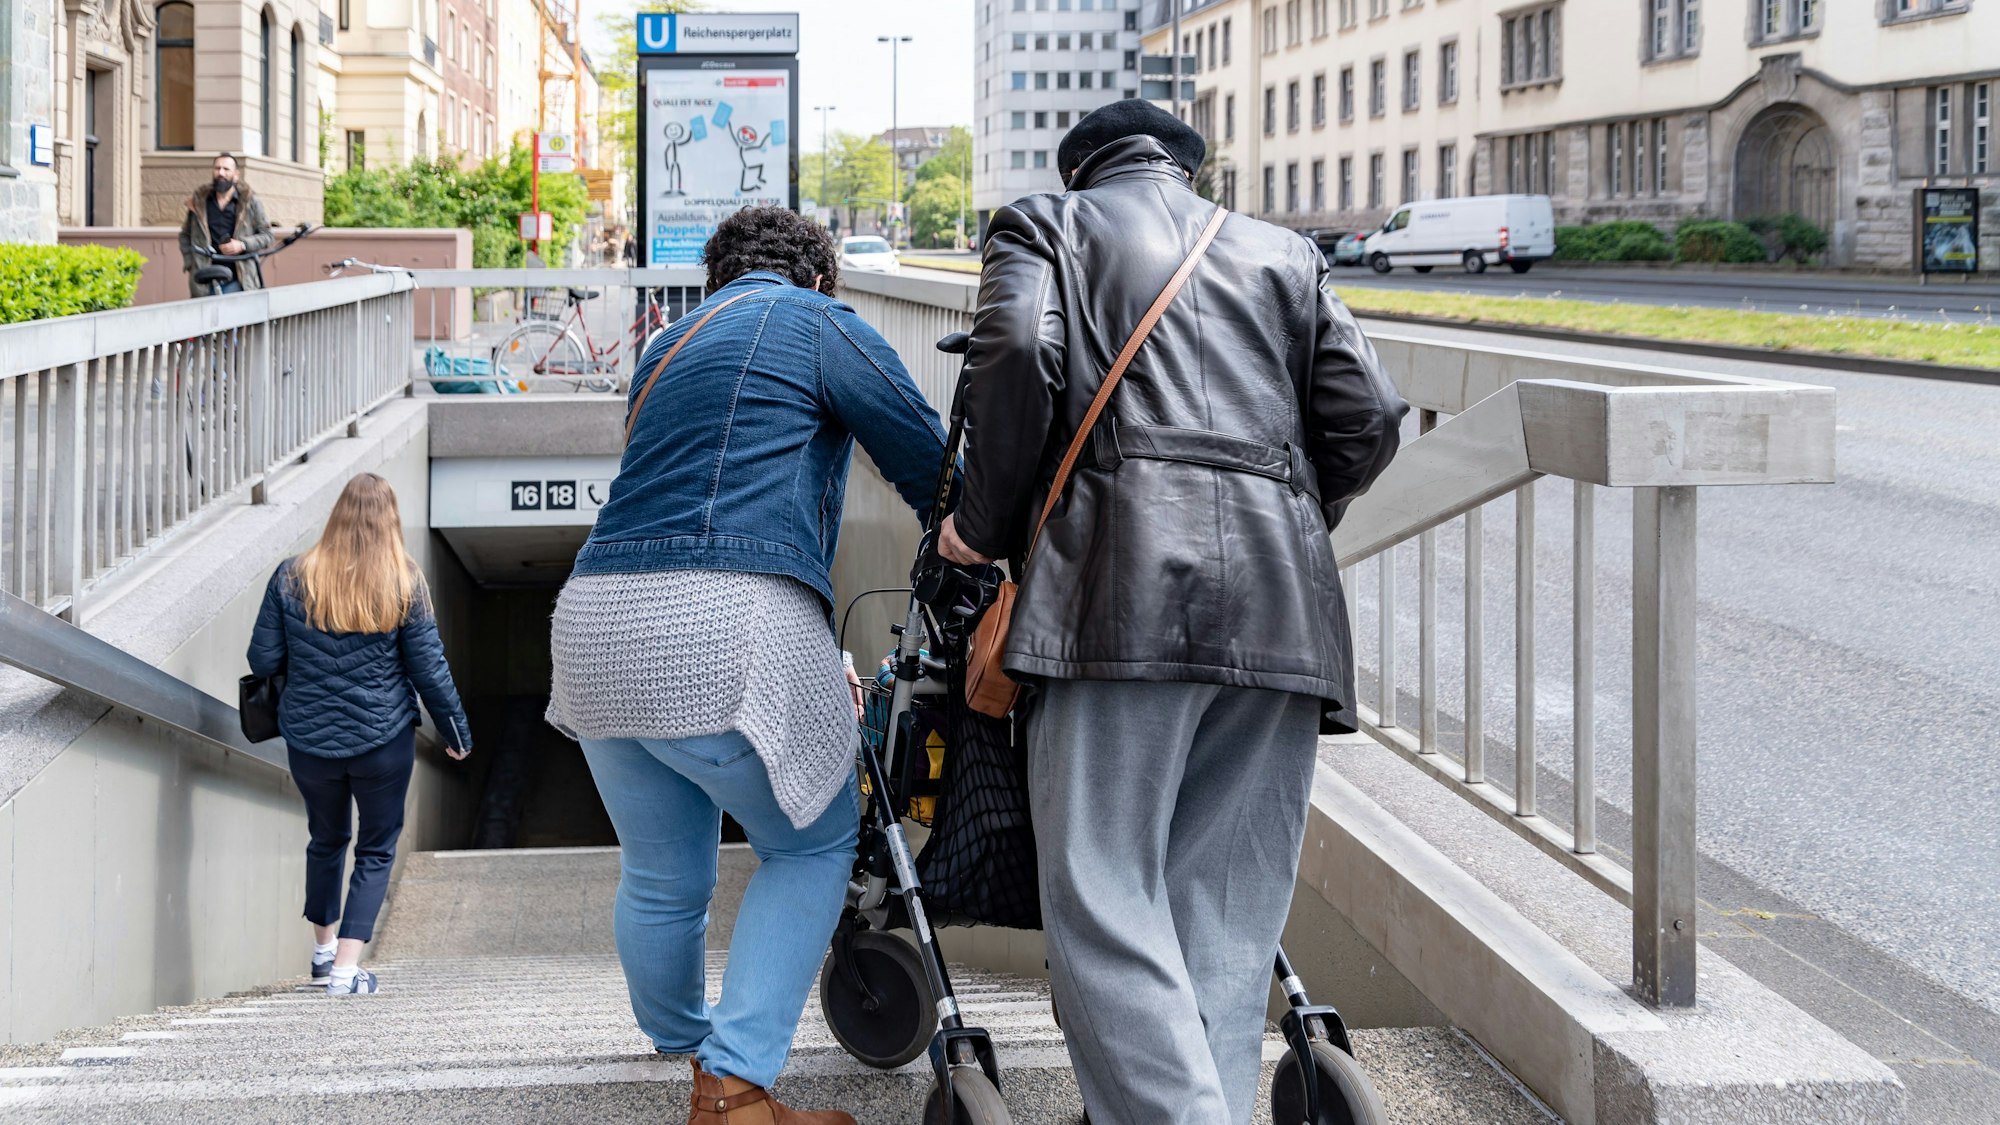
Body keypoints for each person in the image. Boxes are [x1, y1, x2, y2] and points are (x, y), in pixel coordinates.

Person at [937, 100, 1408, 1124]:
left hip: (1113, 598)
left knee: (1104, 899)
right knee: (1225, 918)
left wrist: (978, 527)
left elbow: (1015, 354)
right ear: (1187, 172)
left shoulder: (1042, 226)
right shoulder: (1281, 252)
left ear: (1081, 172)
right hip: (1283, 612)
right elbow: (1367, 416)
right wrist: (1282, 510)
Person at [545, 206, 947, 1125]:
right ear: (820, 276)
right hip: (717, 620)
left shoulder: (665, 350)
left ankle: (684, 1040)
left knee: (659, 869)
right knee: (810, 842)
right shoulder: (815, 321)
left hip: (594, 622)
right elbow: (927, 458)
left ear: (718, 273)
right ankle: (729, 1089)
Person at [247, 473, 473, 995]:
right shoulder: (404, 583)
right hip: (382, 741)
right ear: (390, 521)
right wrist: (456, 732)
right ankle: (348, 971)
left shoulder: (291, 577)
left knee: (325, 840)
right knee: (376, 848)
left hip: (309, 740)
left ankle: (324, 952)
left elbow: (262, 658)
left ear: (337, 516)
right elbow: (429, 671)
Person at [179, 152, 274, 297]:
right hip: (205, 280)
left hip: (239, 280)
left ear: (236, 175)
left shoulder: (250, 202)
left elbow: (267, 236)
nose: (221, 173)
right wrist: (190, 263)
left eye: (226, 169)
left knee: (236, 319)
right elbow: (185, 235)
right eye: (217, 168)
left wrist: (242, 245)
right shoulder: (199, 202)